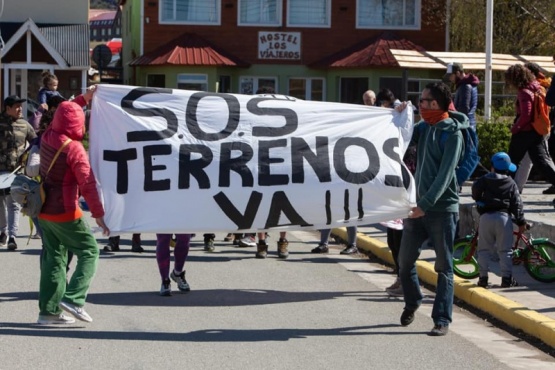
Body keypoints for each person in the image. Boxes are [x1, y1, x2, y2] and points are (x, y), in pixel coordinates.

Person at [397, 82, 466, 337]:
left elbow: (446, 176)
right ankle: (413, 301)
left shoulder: (453, 134)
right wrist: (399, 113)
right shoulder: (424, 127)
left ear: (435, 104)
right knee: (404, 262)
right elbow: (400, 137)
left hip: (441, 211)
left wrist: (424, 206)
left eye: (423, 101)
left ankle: (441, 319)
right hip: (418, 208)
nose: (420, 105)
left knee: (444, 267)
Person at [37, 86, 110, 325]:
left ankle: (47, 313)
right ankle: (74, 299)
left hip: (44, 209)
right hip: (66, 211)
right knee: (90, 251)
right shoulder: (75, 149)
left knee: (53, 260)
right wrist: (98, 214)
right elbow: (87, 183)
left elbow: (67, 111)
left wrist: (83, 99)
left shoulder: (48, 134)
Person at [472, 152, 525, 289]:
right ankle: (506, 279)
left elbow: (475, 190)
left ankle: (483, 278)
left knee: (483, 249)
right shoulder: (511, 183)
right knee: (505, 251)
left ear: (492, 167)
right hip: (504, 218)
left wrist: (479, 200)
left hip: (486, 217)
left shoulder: (484, 179)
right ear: (507, 169)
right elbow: (517, 203)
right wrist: (521, 221)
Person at [504, 64, 555, 199]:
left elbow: (526, 115)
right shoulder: (537, 88)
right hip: (537, 131)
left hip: (524, 132)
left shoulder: (524, 92)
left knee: (511, 161)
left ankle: (503, 187)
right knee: (542, 162)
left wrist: (515, 128)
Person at [0, 95, 37, 250]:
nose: (20, 109)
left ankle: (12, 237)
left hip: (16, 171)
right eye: (16, 106)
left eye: (20, 106)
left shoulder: (25, 125)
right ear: (7, 108)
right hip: (0, 170)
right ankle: (3, 232)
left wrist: (29, 160)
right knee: (0, 203)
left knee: (13, 203)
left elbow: (36, 143)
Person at [444, 62, 479, 130]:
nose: (450, 79)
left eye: (451, 76)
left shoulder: (465, 87)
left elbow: (464, 109)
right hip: (469, 124)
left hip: (465, 126)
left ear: (458, 73)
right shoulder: (468, 85)